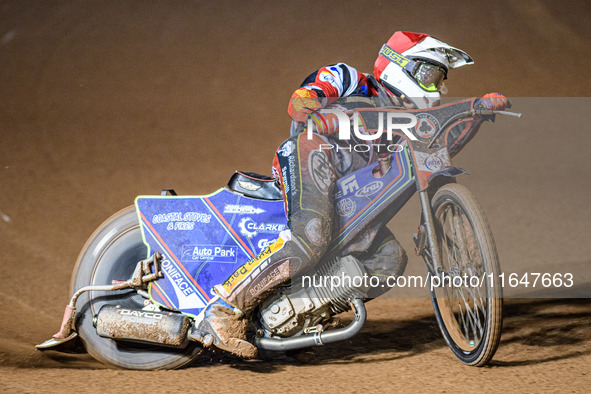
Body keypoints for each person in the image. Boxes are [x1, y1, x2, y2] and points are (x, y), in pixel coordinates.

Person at [192, 31, 509, 358]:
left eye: (440, 79)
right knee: (311, 236)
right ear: (400, 67)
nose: (436, 87)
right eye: (429, 74)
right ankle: (223, 311)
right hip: (313, 155)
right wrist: (317, 111)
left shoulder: (414, 121)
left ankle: (288, 320)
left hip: (352, 190)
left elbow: (440, 143)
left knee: (388, 259)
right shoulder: (350, 79)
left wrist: (477, 109)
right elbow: (302, 98)